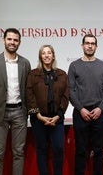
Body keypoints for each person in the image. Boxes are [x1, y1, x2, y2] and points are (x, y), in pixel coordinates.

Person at [0, 28, 31, 175]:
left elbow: (28, 89)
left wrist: (26, 110)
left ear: (19, 43)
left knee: (19, 153)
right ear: (3, 40)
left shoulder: (25, 63)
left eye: (15, 40)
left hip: (19, 113)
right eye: (9, 39)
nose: (12, 42)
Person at [68, 34, 103, 175]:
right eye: (87, 43)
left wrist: (100, 108)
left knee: (98, 150)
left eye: (93, 43)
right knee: (80, 150)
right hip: (81, 114)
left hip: (99, 113)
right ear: (82, 45)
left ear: (96, 46)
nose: (90, 46)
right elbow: (71, 91)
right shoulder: (74, 66)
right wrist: (81, 109)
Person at [26, 45, 69, 175]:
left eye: (49, 53)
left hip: (57, 119)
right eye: (43, 53)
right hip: (39, 119)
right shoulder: (33, 74)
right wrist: (38, 115)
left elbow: (66, 96)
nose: (46, 55)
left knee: (58, 149)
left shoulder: (62, 74)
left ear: (53, 55)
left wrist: (58, 115)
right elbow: (29, 95)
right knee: (42, 149)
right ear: (40, 57)